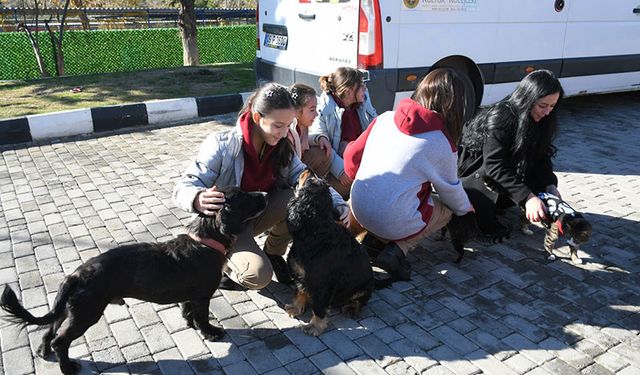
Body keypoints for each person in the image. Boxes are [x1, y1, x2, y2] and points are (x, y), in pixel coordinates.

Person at [173, 82, 349, 290]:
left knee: (296, 197)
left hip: (256, 213)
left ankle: (273, 251)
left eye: (288, 125)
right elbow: (183, 187)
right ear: (257, 117)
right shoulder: (221, 145)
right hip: (226, 228)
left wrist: (338, 203)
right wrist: (196, 198)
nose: (284, 133)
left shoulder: (282, 145)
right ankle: (221, 263)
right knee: (257, 276)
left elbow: (305, 177)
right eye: (278, 125)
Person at [344, 68, 475, 281]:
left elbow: (351, 156)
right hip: (391, 221)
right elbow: (450, 189)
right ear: (455, 106)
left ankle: (371, 238)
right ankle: (397, 250)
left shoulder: (385, 118)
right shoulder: (441, 143)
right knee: (446, 210)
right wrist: (465, 209)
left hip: (358, 206)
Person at [457, 69, 564, 240]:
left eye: (552, 106)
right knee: (485, 222)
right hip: (477, 173)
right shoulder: (501, 116)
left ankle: (504, 202)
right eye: (542, 106)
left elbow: (541, 156)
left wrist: (550, 185)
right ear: (527, 99)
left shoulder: (543, 119)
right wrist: (527, 197)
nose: (547, 112)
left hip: (503, 169)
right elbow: (494, 166)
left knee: (539, 182)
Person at [305, 67, 378, 198]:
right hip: (338, 163)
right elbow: (322, 142)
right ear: (348, 91)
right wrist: (341, 170)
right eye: (361, 85)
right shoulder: (324, 107)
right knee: (356, 185)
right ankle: (322, 196)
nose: (365, 88)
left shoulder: (364, 99)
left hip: (358, 158)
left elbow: (375, 126)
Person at [287, 83, 318, 158]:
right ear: (297, 110)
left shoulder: (303, 125)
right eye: (312, 110)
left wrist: (318, 138)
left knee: (322, 153)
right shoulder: (287, 135)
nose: (316, 114)